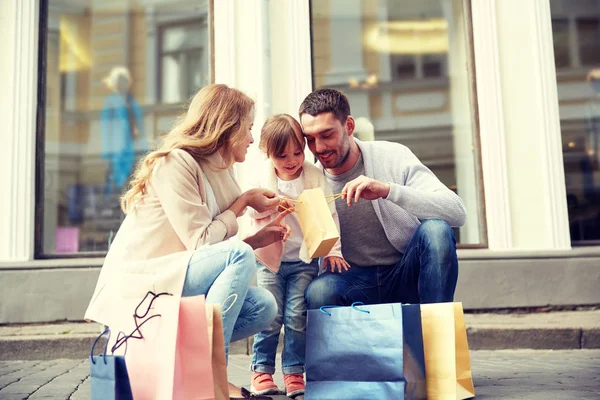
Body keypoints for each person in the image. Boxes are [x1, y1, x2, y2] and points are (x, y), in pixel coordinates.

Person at [85, 84, 289, 400]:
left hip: (177, 279)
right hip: (143, 286)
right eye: (248, 128)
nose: (251, 139)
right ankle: (208, 375)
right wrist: (245, 202)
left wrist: (254, 238)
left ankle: (187, 363)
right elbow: (201, 242)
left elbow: (213, 253)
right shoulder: (174, 163)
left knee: (264, 305)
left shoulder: (223, 172)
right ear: (228, 127)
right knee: (237, 253)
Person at [299, 88, 467, 309]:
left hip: (405, 272)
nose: (318, 148)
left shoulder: (393, 156)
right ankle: (341, 344)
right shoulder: (310, 181)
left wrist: (388, 190)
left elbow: (456, 211)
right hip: (352, 280)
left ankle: (438, 337)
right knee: (320, 291)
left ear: (349, 126)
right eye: (310, 139)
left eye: (327, 135)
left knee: (436, 231)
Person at [246, 114, 349, 398]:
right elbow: (253, 212)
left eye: (297, 152)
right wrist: (278, 205)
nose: (291, 160)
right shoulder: (262, 178)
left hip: (303, 261)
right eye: (282, 156)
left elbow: (329, 214)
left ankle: (294, 371)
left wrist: (333, 251)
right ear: (268, 153)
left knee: (296, 316)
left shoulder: (313, 176)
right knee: (271, 316)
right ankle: (261, 371)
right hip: (270, 261)